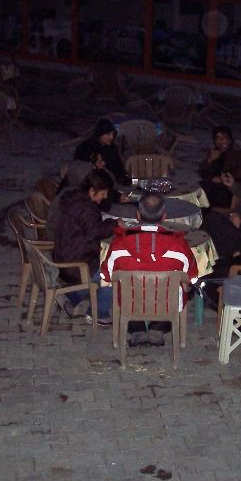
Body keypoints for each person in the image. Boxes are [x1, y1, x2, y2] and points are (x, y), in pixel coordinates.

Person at [100, 194, 199, 347]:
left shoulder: (118, 244)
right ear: (164, 216)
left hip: (130, 304)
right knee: (187, 289)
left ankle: (137, 330)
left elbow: (106, 275)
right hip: (167, 305)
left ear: (138, 215)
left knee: (125, 290)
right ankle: (157, 329)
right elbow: (192, 276)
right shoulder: (179, 246)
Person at [53, 169, 121, 326]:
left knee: (105, 263)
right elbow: (94, 232)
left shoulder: (74, 199)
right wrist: (114, 223)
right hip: (76, 263)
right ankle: (99, 313)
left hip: (65, 254)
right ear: (91, 191)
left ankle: (70, 297)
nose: (104, 197)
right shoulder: (86, 208)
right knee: (110, 269)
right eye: (103, 193)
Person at [198, 125, 241, 209]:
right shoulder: (215, 152)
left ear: (230, 139)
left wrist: (223, 179)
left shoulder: (238, 153)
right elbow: (202, 172)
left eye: (226, 137)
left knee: (210, 197)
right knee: (198, 190)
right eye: (219, 138)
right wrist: (209, 160)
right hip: (215, 186)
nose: (223, 141)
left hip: (232, 189)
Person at [74, 118, 129, 185]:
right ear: (100, 134)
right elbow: (78, 170)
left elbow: (119, 169)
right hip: (92, 184)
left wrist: (125, 178)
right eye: (108, 134)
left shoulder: (112, 148)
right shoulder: (84, 148)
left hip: (113, 183)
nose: (111, 137)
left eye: (112, 134)